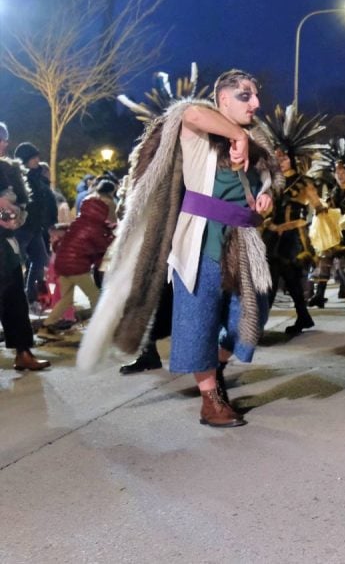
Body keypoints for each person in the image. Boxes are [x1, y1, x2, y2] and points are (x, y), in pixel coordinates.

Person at [79, 70, 278, 428]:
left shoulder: (258, 139)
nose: (256, 103)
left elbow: (266, 185)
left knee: (251, 319)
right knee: (198, 321)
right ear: (223, 100)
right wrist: (235, 135)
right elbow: (187, 112)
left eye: (256, 95)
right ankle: (210, 400)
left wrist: (265, 199)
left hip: (245, 243)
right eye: (245, 95)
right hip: (201, 241)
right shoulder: (199, 131)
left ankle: (211, 368)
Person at [261, 105, 327, 335]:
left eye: (284, 156)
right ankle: (303, 316)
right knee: (280, 279)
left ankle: (259, 325)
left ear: (292, 158)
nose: (281, 160)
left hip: (292, 238)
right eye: (277, 156)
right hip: (272, 235)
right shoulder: (271, 182)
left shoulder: (305, 182)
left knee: (280, 278)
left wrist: (322, 213)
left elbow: (318, 206)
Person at [1, 123, 51, 371]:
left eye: (2, 139)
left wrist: (14, 217)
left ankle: (23, 352)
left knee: (15, 299)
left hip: (5, 244)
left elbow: (22, 204)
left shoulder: (10, 170)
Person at [39, 178, 117, 335]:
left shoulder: (80, 221)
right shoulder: (94, 228)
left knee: (66, 299)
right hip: (76, 266)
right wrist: (112, 237)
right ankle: (99, 328)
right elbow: (102, 245)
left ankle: (46, 326)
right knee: (94, 296)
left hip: (62, 263)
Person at [308, 136, 345, 305]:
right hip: (336, 233)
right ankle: (319, 294)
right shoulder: (333, 191)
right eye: (337, 172)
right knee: (324, 253)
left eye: (343, 172)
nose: (340, 175)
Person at [13, 142, 56, 313]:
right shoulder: (18, 177)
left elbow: (44, 202)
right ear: (25, 160)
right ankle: (16, 300)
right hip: (22, 227)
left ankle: (30, 297)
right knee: (14, 265)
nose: (37, 160)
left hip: (36, 228)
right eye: (33, 157)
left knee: (40, 260)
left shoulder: (38, 177)